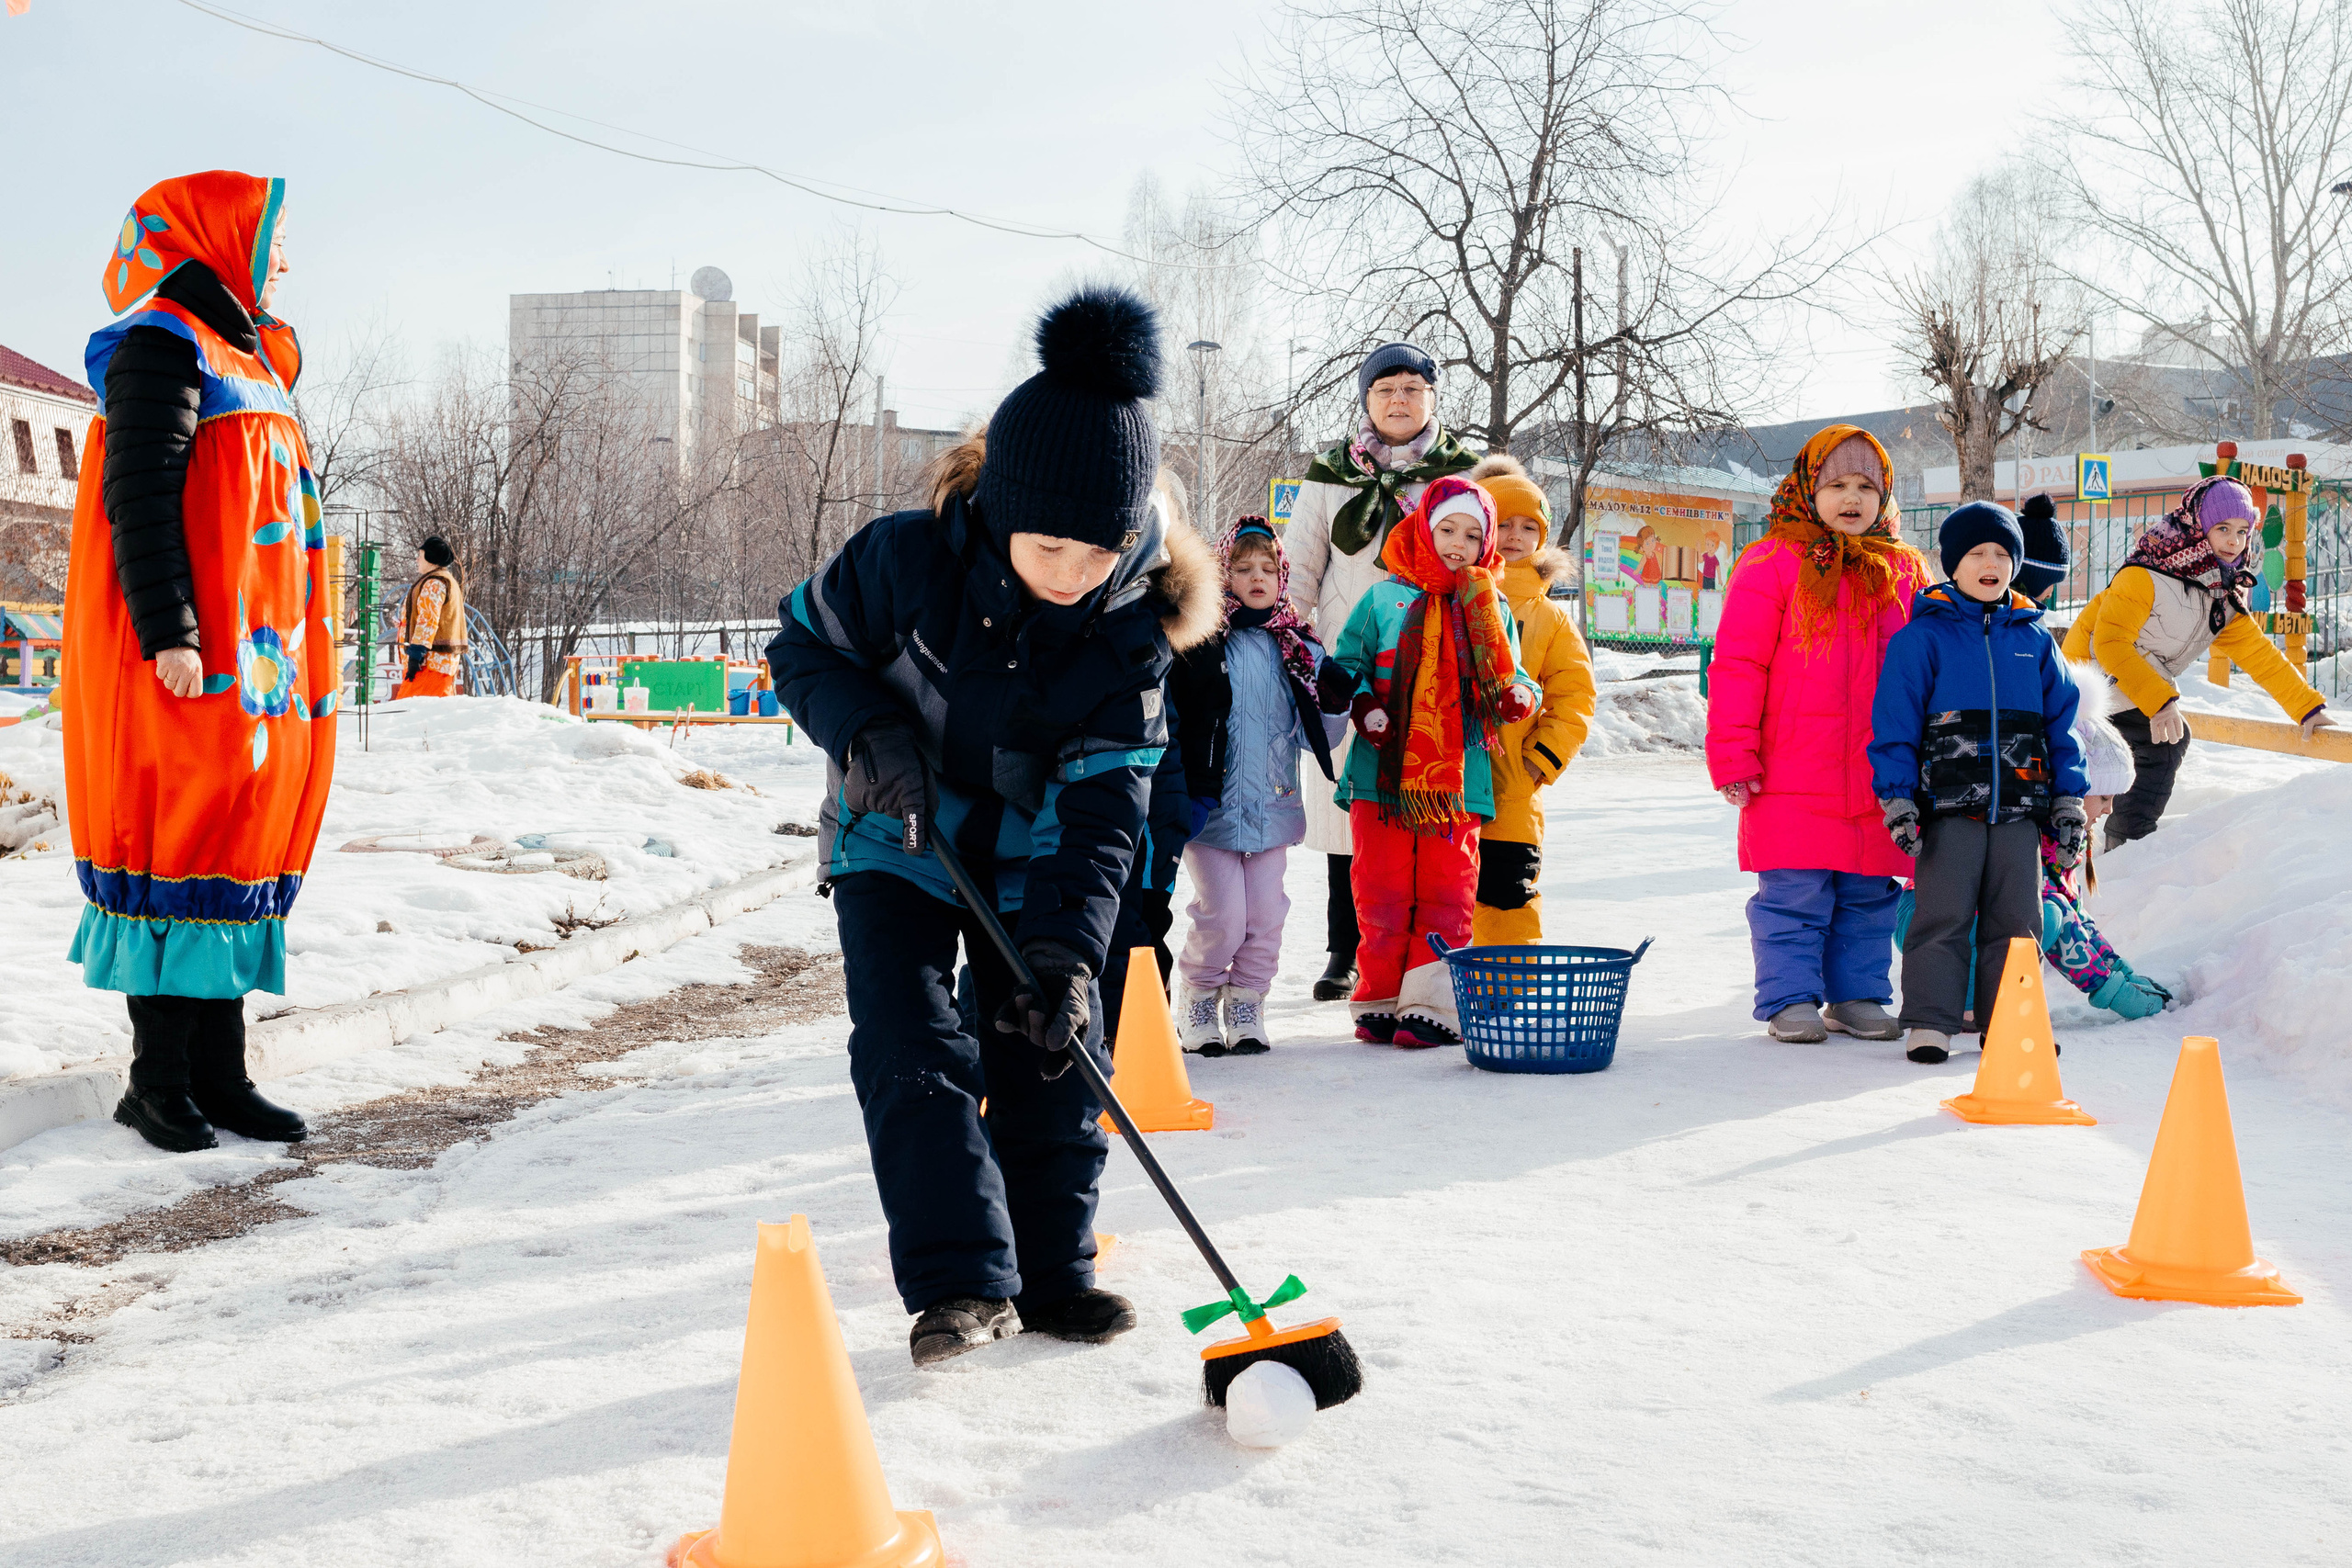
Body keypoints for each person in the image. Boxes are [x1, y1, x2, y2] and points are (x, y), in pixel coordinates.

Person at [766, 286, 1217, 1369]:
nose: (1068, 577)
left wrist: (1065, 955)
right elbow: (799, 645)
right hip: (899, 840)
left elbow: (1107, 809)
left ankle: (1054, 1273)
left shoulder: (1132, 638)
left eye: (1094, 553)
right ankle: (964, 1280)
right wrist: (866, 731)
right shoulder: (900, 561)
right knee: (911, 1048)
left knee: (1055, 1040)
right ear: (999, 509)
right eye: (1043, 546)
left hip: (1035, 860)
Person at [62, 170, 332, 1153]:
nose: (287, 258)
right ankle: (157, 1083)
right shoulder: (158, 345)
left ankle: (221, 1078)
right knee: (174, 843)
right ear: (221, 235)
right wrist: (171, 633)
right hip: (188, 657)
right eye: (276, 236)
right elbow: (137, 495)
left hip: (261, 667)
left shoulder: (249, 356)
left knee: (229, 845)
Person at [1705, 427, 1929, 1044]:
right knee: (1794, 891)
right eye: (1837, 485)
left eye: (1867, 486)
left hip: (1878, 768)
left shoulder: (1903, 568)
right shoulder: (1772, 562)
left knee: (1868, 890)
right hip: (1790, 769)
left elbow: (1926, 666)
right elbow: (1738, 664)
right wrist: (1733, 754)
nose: (1852, 498)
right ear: (1809, 490)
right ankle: (1790, 997)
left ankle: (1856, 994)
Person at [1283, 343, 1478, 1003]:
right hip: (1350, 666)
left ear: (1432, 397)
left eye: (1412, 387)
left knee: (1426, 811)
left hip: (1436, 671)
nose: (1399, 399)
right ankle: (1347, 949)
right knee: (1352, 809)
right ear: (1366, 399)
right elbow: (1300, 566)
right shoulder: (1331, 472)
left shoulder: (1457, 473)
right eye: (1385, 388)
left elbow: (1479, 565)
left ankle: (1426, 953)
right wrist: (1296, 645)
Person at [1871, 502, 2088, 1064]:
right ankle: (1929, 1022)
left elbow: (2062, 725)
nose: (1990, 563)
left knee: (2019, 924)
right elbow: (1895, 723)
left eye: (2002, 553)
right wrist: (1897, 799)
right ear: (1952, 563)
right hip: (1947, 808)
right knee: (1940, 917)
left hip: (2020, 811)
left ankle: (2011, 1025)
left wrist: (2068, 801)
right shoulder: (1922, 639)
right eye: (1977, 553)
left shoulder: (2036, 639)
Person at [1331, 476, 1539, 1046]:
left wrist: (1519, 695)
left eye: (1473, 534)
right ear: (1423, 527)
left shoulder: (1488, 603)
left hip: (1458, 778)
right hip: (1383, 774)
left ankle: (1431, 1005)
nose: (1457, 542)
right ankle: (1379, 996)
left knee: (1448, 891)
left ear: (1487, 544)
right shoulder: (1382, 598)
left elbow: (1512, 675)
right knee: (1380, 887)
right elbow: (1348, 663)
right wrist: (1363, 702)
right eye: (1447, 528)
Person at [2060, 476, 2332, 849]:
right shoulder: (2146, 574)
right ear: (2196, 525)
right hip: (2089, 678)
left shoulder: (2222, 597)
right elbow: (2108, 643)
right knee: (2154, 743)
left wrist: (2307, 708)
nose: (2233, 541)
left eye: (2241, 531)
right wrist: (2160, 702)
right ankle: (2117, 840)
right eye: (2222, 528)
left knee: (2144, 749)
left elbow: (2261, 657)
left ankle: (2115, 840)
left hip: (2133, 681)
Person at [1167, 517, 1351, 1055]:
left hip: (1274, 807)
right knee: (1222, 914)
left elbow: (1315, 735)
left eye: (1268, 569)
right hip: (1213, 810)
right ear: (1222, 574)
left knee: (1266, 915)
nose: (1257, 578)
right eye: (1243, 568)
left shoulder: (1297, 647)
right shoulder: (1200, 640)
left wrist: (1334, 699)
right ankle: (1199, 997)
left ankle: (1248, 1001)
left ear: (1283, 576)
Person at [1892, 689, 2172, 1025]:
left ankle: (1975, 998)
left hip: (1959, 928)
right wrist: (2116, 992)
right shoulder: (2028, 834)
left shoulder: (2065, 840)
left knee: (2052, 911)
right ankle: (1968, 1005)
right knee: (2047, 914)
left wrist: (2121, 971)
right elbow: (2067, 933)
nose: (2110, 809)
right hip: (1929, 919)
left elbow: (2079, 917)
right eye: (2105, 796)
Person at [1464, 455, 1596, 945]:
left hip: (1514, 782)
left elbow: (1575, 694)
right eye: (1503, 523)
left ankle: (1507, 992)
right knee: (1445, 889)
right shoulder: (1451, 596)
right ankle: (1441, 993)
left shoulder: (1551, 618)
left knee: (1507, 888)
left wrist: (1543, 757)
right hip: (1445, 775)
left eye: (1528, 526)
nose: (1515, 536)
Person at [394, 536, 466, 698]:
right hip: (440, 663)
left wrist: (416, 654)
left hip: (428, 663)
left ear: (431, 558)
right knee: (437, 710)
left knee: (410, 711)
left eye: (421, 554)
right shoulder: (446, 580)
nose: (417, 559)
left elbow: (428, 621)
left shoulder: (433, 583)